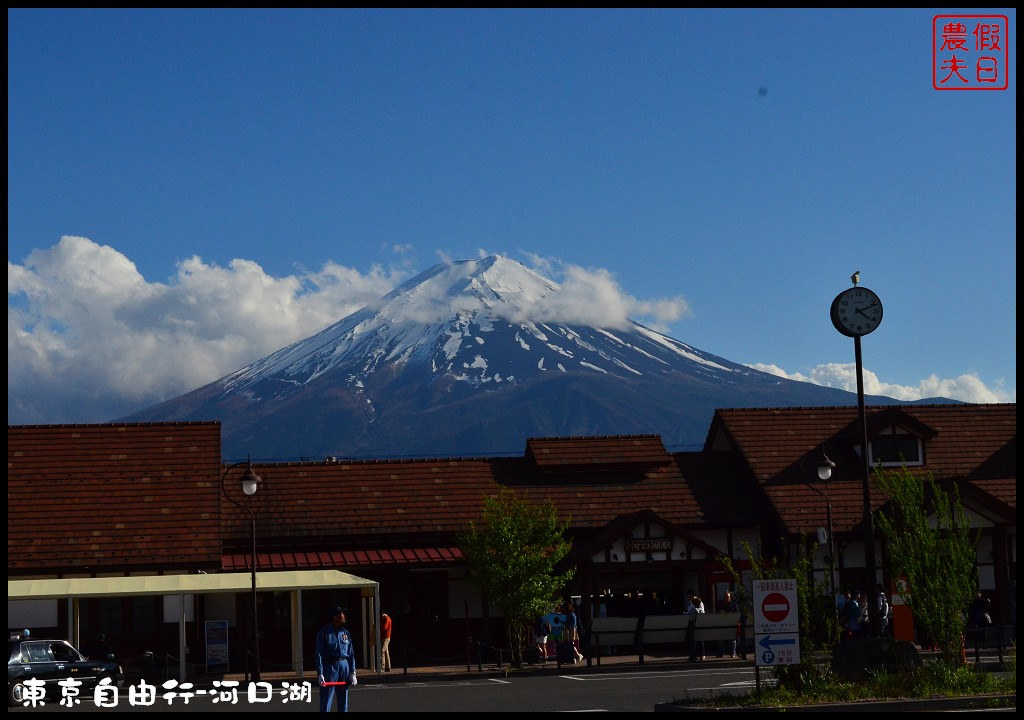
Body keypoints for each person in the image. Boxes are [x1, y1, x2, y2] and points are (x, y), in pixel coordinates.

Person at [316, 606, 356, 712]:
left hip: (344, 666)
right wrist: (320, 673)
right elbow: (319, 654)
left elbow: (351, 653)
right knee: (326, 699)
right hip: (330, 667)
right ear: (335, 617)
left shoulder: (345, 633)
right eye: (342, 614)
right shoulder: (324, 633)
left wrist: (353, 671)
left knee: (344, 699)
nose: (344, 616)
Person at [686, 592, 706, 661]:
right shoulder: (692, 603)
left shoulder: (696, 604)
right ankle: (698, 655)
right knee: (697, 640)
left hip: (695, 624)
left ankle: (698, 655)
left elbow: (691, 616)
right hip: (697, 624)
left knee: (696, 640)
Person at [719, 590, 740, 658]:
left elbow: (737, 614)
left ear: (730, 597)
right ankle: (721, 653)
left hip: (732, 624)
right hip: (722, 624)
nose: (726, 598)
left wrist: (737, 622)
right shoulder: (720, 604)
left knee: (733, 640)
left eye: (727, 597)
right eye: (725, 597)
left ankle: (733, 653)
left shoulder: (734, 604)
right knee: (721, 640)